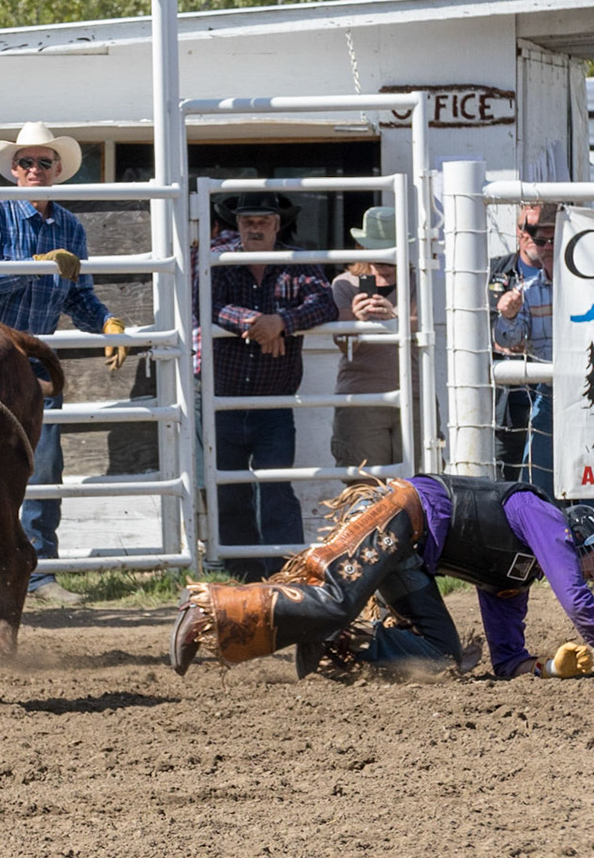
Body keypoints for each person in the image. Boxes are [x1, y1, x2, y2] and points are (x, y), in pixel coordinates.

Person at [170, 474, 594, 682]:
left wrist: (553, 668)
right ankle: (209, 611)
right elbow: (576, 600)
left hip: (410, 552)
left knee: (441, 657)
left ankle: (331, 637)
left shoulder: (514, 578)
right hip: (397, 514)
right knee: (337, 599)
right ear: (581, 538)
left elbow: (508, 663)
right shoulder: (542, 515)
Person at [0, 122, 129, 606]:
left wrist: (107, 322)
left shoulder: (70, 226)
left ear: (57, 169)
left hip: (32, 364)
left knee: (43, 468)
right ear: (13, 168)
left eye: (43, 162)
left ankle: (38, 572)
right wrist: (36, 264)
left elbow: (78, 295)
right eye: (26, 161)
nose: (34, 169)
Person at [207, 194, 337, 581]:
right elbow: (207, 306)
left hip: (273, 398)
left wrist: (281, 322)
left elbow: (325, 304)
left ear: (278, 224)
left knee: (276, 486)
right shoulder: (220, 261)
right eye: (248, 221)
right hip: (226, 397)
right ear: (237, 225)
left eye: (263, 220)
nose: (256, 228)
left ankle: (284, 569)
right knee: (231, 490)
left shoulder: (297, 261)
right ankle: (243, 570)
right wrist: (259, 324)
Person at [329, 206, 407, 478]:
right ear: (362, 248)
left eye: (388, 250)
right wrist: (356, 320)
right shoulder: (344, 284)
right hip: (361, 396)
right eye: (376, 249)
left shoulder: (417, 279)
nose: (383, 260)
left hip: (412, 393)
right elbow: (342, 342)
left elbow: (424, 326)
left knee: (418, 488)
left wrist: (392, 317)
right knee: (364, 487)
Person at [490, 201, 556, 494]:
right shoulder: (523, 287)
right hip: (535, 394)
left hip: (572, 391)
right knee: (534, 481)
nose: (547, 247)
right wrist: (508, 315)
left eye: (554, 240)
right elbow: (506, 338)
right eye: (541, 241)